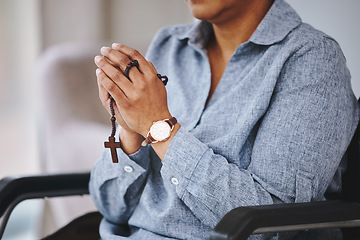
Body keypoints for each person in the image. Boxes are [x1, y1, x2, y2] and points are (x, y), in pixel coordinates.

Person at [90, 0, 360, 239]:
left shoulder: (311, 59)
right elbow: (111, 208)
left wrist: (159, 128)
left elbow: (272, 226)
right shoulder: (169, 44)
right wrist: (130, 132)